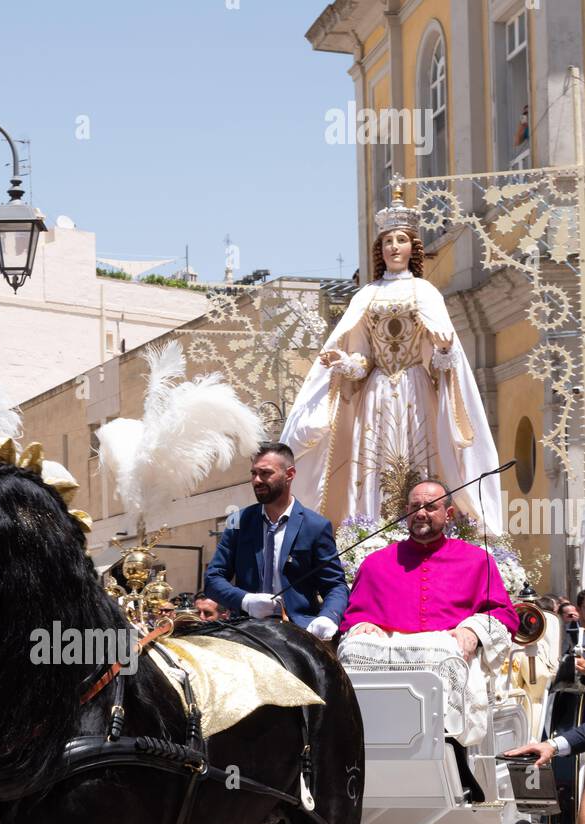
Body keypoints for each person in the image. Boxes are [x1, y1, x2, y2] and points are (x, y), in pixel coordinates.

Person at [280, 185, 504, 535]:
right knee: (372, 463)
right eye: (387, 241)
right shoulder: (366, 296)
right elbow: (363, 360)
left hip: (417, 388)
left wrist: (445, 351)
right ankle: (370, 531)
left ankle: (427, 525)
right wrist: (343, 362)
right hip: (376, 393)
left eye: (400, 240)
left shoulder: (425, 292)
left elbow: (443, 361)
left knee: (421, 455)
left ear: (412, 247)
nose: (393, 247)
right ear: (379, 249)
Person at [339, 479, 519, 749]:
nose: (421, 512)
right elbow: (353, 616)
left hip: (449, 656)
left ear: (448, 515)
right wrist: (361, 626)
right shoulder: (376, 563)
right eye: (415, 506)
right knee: (354, 650)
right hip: (389, 666)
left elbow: (503, 614)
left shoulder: (477, 561)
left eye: (430, 507)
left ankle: (455, 757)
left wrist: (473, 630)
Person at [203, 441, 348, 638]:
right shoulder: (238, 521)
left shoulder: (315, 526)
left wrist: (328, 617)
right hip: (245, 630)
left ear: (289, 474)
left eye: (265, 473)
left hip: (298, 632)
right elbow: (212, 579)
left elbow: (334, 585)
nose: (256, 480)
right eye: (254, 473)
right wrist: (245, 600)